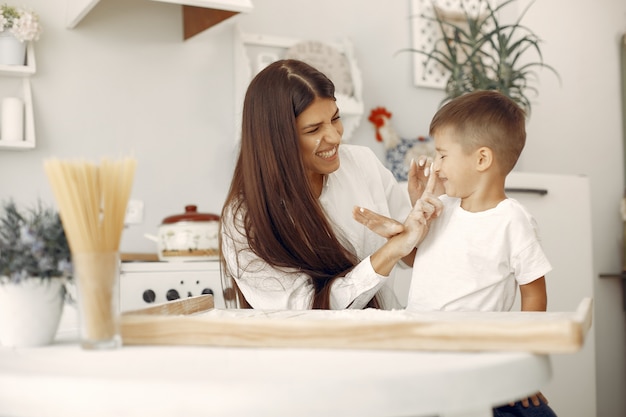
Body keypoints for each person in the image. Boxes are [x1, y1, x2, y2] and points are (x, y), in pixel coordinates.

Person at [354, 90, 557, 417]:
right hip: (425, 358)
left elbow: (533, 292)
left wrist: (525, 364)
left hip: (482, 363)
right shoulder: (442, 208)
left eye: (443, 155)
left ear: (481, 159)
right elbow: (416, 259)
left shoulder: (511, 220)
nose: (437, 166)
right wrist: (402, 225)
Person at [219, 59, 439, 310]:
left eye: (335, 118)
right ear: (277, 140)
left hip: (381, 335)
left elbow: (412, 256)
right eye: (314, 129)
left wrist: (421, 216)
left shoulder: (362, 163)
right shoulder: (243, 220)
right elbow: (301, 312)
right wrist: (389, 251)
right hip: (310, 346)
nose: (335, 137)